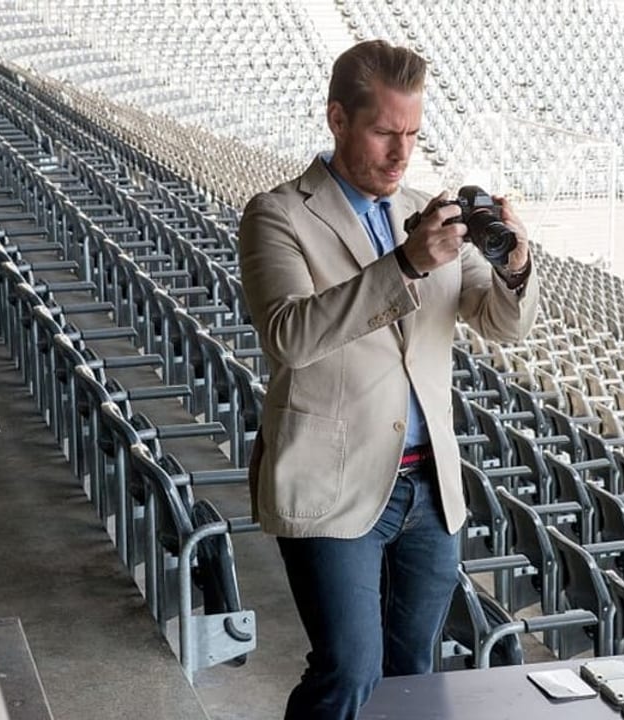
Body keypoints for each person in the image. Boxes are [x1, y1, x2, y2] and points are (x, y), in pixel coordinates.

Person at [238, 39, 539, 719]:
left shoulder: (427, 218)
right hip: (330, 480)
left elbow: (500, 323)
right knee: (349, 671)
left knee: (413, 677)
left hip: (430, 489)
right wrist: (402, 264)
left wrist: (515, 267)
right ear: (338, 120)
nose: (401, 154)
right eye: (384, 133)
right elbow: (288, 335)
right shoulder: (277, 214)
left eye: (412, 134)